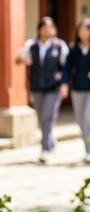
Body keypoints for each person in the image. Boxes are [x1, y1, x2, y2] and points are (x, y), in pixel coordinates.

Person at [16, 16, 69, 164]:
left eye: (50, 27)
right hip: (36, 86)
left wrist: (64, 83)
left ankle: (45, 149)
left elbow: (66, 66)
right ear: (39, 29)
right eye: (45, 27)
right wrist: (21, 58)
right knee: (41, 118)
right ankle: (51, 142)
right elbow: (19, 59)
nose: (48, 30)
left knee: (47, 117)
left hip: (53, 87)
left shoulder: (59, 46)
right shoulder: (31, 45)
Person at [59, 18, 90, 165]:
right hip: (77, 89)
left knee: (89, 119)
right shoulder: (73, 49)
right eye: (81, 30)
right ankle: (87, 148)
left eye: (86, 30)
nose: (83, 33)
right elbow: (67, 68)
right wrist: (64, 84)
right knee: (81, 121)